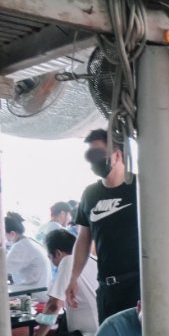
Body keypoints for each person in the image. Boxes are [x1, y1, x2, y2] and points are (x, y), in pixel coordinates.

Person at [68, 128, 141, 322]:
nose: (94, 162)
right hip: (107, 289)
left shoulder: (140, 187)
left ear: (117, 155)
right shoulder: (90, 194)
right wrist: (74, 277)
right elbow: (84, 238)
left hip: (140, 285)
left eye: (98, 154)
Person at [21, 230, 99, 336]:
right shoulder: (92, 260)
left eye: (52, 259)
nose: (54, 264)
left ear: (58, 253)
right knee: (59, 328)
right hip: (101, 334)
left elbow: (55, 305)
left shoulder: (69, 261)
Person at [4, 212, 51, 303]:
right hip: (40, 289)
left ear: (12, 234)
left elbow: (0, 271)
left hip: (35, 293)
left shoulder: (21, 246)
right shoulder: (28, 242)